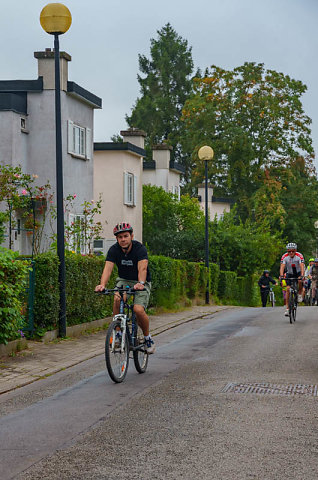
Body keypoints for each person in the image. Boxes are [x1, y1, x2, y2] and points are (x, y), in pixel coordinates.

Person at [95, 222, 155, 354]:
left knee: (138, 310)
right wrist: (102, 285)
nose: (123, 239)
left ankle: (147, 337)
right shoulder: (114, 250)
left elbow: (143, 267)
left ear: (131, 236)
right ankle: (117, 334)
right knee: (117, 300)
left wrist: (140, 283)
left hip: (141, 281)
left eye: (126, 236)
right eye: (120, 237)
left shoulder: (140, 249)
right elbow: (108, 269)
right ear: (117, 239)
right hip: (124, 280)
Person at [280, 242, 305, 316]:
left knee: (300, 281)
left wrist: (302, 275)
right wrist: (281, 275)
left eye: (293, 251)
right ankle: (287, 308)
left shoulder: (299, 256)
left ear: (295, 250)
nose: (291, 253)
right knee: (288, 289)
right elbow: (282, 266)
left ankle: (299, 293)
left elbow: (302, 266)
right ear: (287, 251)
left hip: (298, 272)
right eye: (289, 251)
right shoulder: (284, 256)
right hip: (289, 272)